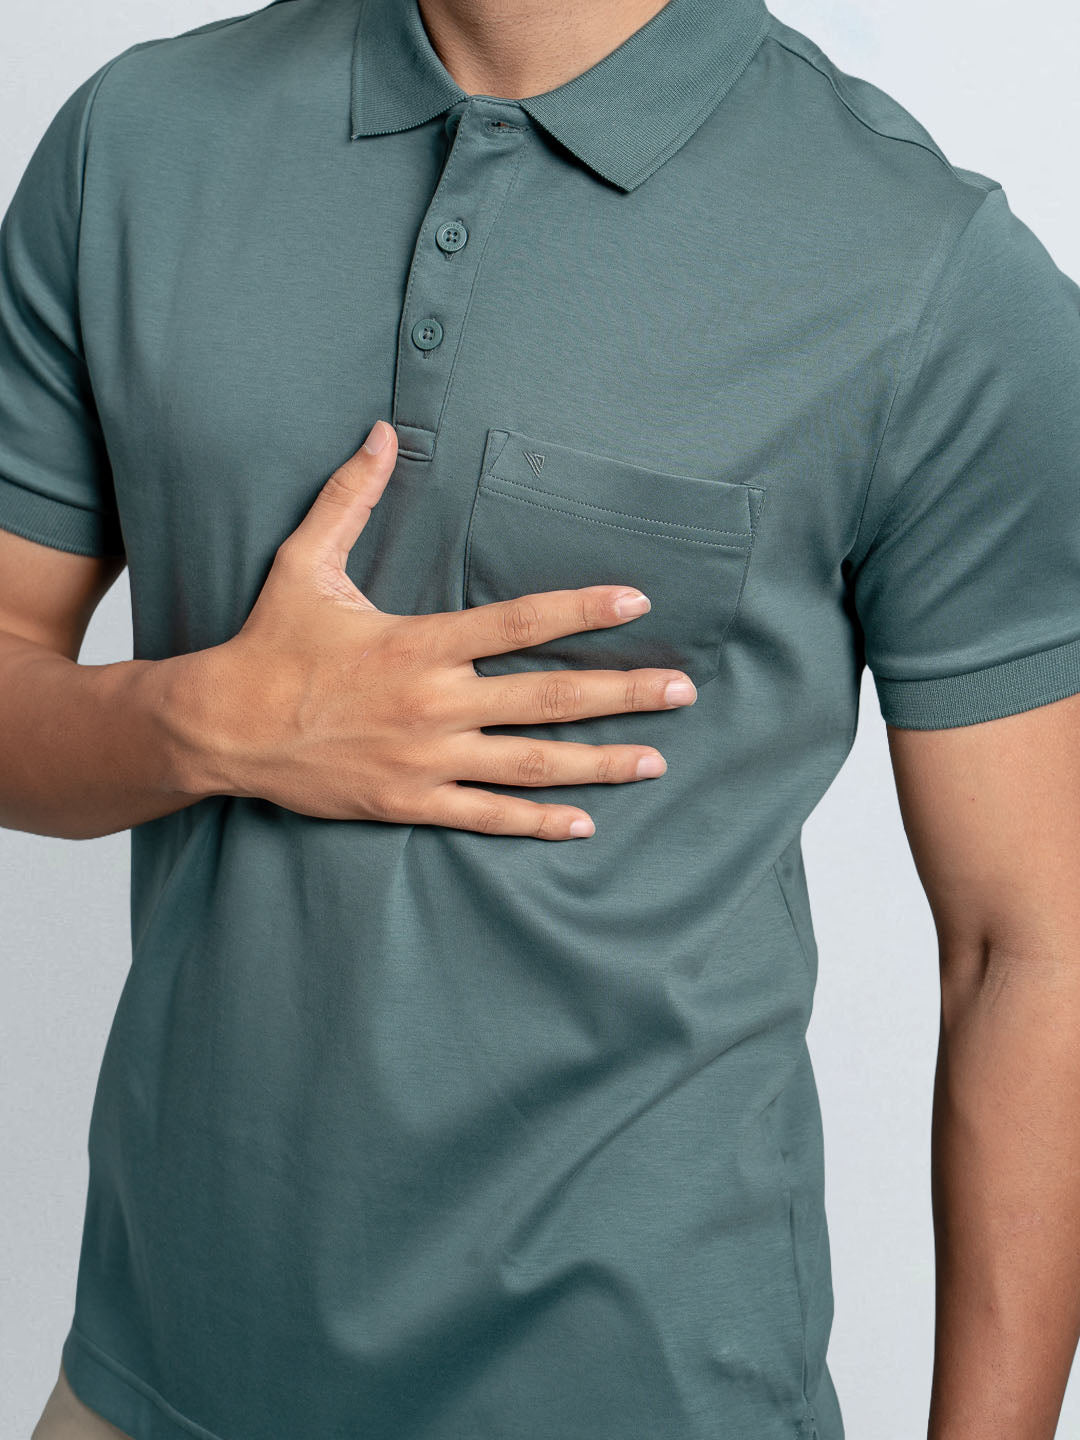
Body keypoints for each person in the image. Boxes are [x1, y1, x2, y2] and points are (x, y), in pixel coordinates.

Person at [5, 0, 1080, 1435]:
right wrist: (199, 722)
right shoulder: (137, 141)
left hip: (643, 1396)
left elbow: (1032, 949)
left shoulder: (924, 266)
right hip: (153, 1381)